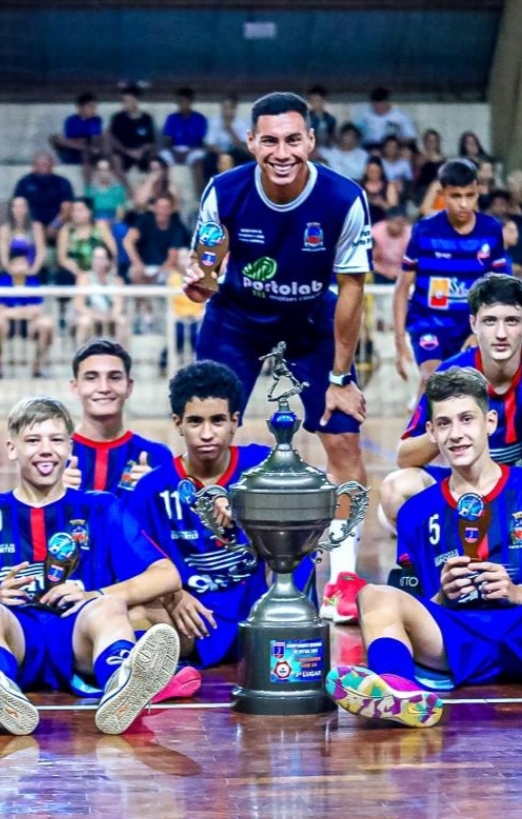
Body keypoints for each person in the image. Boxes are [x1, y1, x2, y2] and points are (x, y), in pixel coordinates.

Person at [326, 368, 522, 728]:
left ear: (490, 422)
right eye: (444, 424)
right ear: (430, 433)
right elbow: (416, 607)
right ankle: (396, 687)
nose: (456, 434)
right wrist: (444, 596)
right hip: (455, 637)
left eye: (467, 419)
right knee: (373, 596)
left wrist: (516, 591)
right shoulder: (416, 510)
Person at [182, 91, 372, 617]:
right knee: (206, 428)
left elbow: (352, 292)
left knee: (341, 436)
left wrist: (340, 375)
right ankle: (206, 552)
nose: (282, 151)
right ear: (251, 142)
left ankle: (346, 574)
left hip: (312, 319)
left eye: (293, 139)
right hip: (237, 318)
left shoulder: (343, 198)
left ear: (311, 140)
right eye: (270, 140)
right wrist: (198, 282)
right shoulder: (224, 191)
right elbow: (204, 275)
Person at [0, 396, 182, 736]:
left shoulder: (100, 507)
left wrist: (94, 592)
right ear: (11, 448)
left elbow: (168, 574)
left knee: (109, 605)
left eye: (55, 440)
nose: (45, 450)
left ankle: (122, 685)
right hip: (15, 635)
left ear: (70, 447)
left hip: (76, 631)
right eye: (33, 440)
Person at [383, 274, 522, 553]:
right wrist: (445, 426)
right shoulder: (451, 374)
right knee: (397, 489)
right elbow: (404, 456)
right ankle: (450, 573)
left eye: (511, 321)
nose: (501, 334)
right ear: (473, 324)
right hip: (468, 493)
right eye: (490, 321)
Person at [125, 361, 308, 685]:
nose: (207, 433)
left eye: (218, 420)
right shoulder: (152, 488)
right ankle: (154, 682)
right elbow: (136, 566)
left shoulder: (262, 468)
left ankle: (299, 656)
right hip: (190, 618)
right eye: (195, 421)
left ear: (235, 422)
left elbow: (299, 535)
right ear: (177, 423)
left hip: (257, 614)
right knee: (133, 618)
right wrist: (173, 595)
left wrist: (246, 505)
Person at [393, 158, 509, 402]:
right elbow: (402, 287)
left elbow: (499, 288)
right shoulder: (424, 230)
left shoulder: (491, 230)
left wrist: (481, 330)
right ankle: (416, 435)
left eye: (470, 195)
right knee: (433, 378)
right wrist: (399, 341)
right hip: (429, 322)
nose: (464, 203)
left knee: (471, 392)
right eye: (456, 196)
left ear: (478, 190)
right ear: (442, 194)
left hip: (470, 325)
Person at [65, 339, 173, 496]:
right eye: (91, 378)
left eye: (114, 377)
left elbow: (177, 519)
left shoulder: (157, 456)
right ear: (75, 387)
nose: (104, 388)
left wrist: (155, 494)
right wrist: (50, 495)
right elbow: (24, 516)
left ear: (129, 387)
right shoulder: (53, 455)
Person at [0, 254, 54, 379]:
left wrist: (13, 311)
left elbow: (37, 309)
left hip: (29, 323)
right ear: (11, 266)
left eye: (23, 263)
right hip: (8, 322)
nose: (20, 267)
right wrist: (20, 312)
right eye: (17, 264)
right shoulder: (3, 282)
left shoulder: (33, 282)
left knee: (47, 325)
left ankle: (38, 367)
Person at [124, 193, 189, 285]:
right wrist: (137, 263)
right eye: (159, 207)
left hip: (165, 268)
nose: (162, 211)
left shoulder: (177, 226)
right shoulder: (145, 220)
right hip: (143, 266)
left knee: (176, 274)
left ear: (170, 210)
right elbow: (128, 241)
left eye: (166, 208)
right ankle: (142, 299)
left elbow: (173, 255)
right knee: (135, 273)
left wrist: (159, 271)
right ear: (154, 208)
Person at [12, 151, 74, 247]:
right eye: (39, 163)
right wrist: (35, 226)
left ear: (52, 164)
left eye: (45, 163)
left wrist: (55, 224)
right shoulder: (24, 182)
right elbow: (18, 205)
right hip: (30, 224)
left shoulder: (62, 182)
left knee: (66, 232)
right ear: (34, 165)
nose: (42, 166)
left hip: (56, 225)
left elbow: (67, 207)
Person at [72, 246, 128, 345]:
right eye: (95, 258)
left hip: (110, 316)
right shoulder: (84, 278)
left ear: (108, 261)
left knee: (122, 321)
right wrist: (95, 315)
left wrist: (110, 315)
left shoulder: (117, 280)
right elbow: (79, 304)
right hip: (90, 314)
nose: (98, 262)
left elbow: (119, 305)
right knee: (85, 322)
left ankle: (122, 356)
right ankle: (81, 356)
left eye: (101, 258)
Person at [56, 197, 117, 285]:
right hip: (75, 272)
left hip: (101, 270)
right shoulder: (66, 230)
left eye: (80, 210)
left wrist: (109, 267)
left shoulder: (100, 226)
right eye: (73, 210)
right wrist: (79, 272)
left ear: (90, 211)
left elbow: (113, 250)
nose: (76, 214)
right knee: (65, 276)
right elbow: (62, 259)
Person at [109, 85, 158, 176]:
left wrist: (141, 150)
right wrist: (127, 151)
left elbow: (151, 141)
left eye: (129, 101)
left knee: (154, 160)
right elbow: (112, 139)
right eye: (124, 101)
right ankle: (126, 189)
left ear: (136, 101)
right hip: (123, 153)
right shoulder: (118, 118)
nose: (126, 104)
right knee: (116, 158)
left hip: (141, 153)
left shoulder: (146, 118)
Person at [51, 92, 104, 175]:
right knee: (55, 138)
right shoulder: (71, 120)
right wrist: (80, 142)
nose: (94, 109)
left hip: (90, 151)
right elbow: (69, 140)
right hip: (73, 151)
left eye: (95, 107)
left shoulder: (96, 120)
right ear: (80, 107)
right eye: (91, 107)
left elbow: (94, 137)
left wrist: (83, 141)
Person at [159, 87, 208, 169]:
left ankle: (200, 182)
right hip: (175, 149)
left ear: (190, 102)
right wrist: (174, 152)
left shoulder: (199, 118)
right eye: (179, 101)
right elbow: (167, 139)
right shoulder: (172, 118)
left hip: (193, 150)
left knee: (198, 160)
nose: (181, 104)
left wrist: (188, 152)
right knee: (162, 156)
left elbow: (201, 141)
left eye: (184, 101)